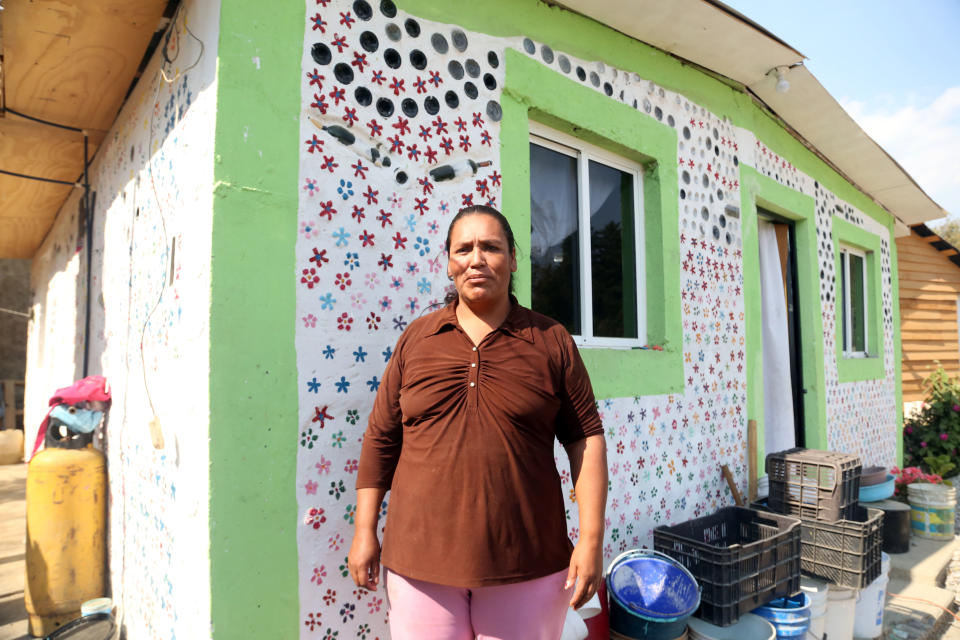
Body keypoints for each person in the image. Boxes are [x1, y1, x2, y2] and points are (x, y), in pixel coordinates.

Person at [348, 205, 608, 640]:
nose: (476, 259)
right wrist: (364, 531)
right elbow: (381, 438)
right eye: (463, 248)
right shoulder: (417, 338)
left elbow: (585, 439)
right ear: (449, 262)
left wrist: (591, 539)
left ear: (513, 260)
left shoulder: (550, 340)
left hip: (526, 560)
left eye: (491, 247)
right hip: (419, 561)